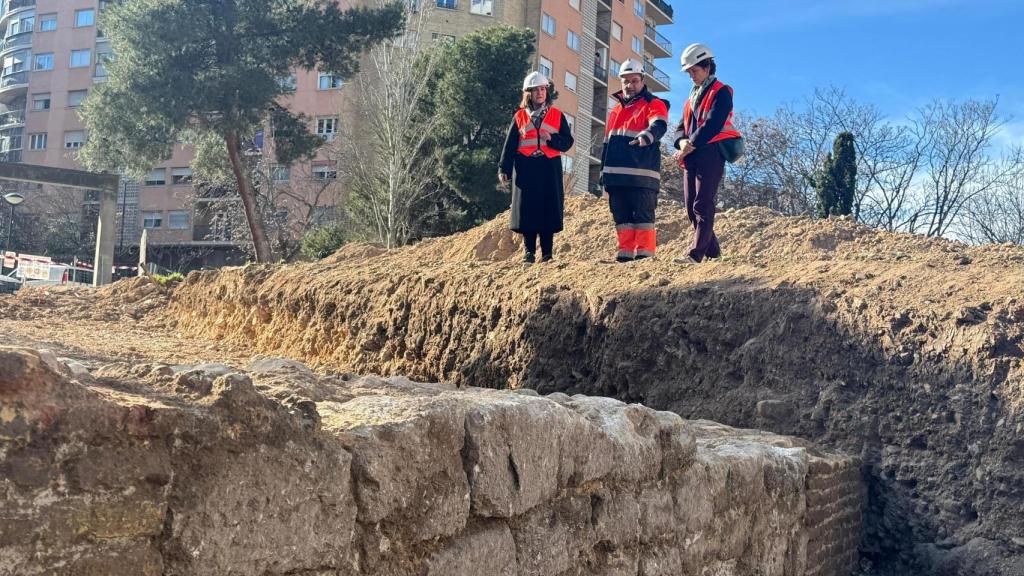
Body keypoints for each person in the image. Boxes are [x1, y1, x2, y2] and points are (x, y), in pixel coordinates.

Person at [672, 43, 742, 263]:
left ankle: (696, 253)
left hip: (711, 152)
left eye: (695, 70)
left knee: (702, 203)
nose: (691, 76)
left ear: (708, 67)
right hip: (692, 154)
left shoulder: (722, 91)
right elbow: (680, 127)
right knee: (691, 207)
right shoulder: (691, 98)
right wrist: (682, 142)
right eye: (689, 72)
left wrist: (690, 143)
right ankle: (714, 253)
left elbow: (713, 123)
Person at [499, 71, 575, 263]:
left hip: (549, 167)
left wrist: (552, 139)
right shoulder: (519, 117)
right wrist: (504, 169)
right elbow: (509, 146)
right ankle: (529, 252)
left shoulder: (557, 115)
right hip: (526, 168)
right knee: (528, 210)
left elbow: (567, 142)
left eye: (543, 89)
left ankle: (548, 253)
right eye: (536, 90)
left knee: (548, 209)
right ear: (528, 93)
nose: (540, 93)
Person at [599, 59, 670, 262]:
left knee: (643, 217)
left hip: (642, 176)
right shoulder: (615, 111)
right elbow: (606, 144)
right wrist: (603, 174)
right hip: (616, 177)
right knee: (621, 218)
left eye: (634, 80)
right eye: (626, 81)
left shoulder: (654, 103)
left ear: (642, 81)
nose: (630, 85)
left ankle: (645, 257)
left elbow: (659, 125)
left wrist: (646, 136)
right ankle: (625, 254)